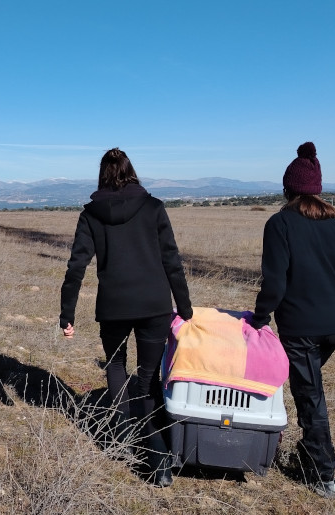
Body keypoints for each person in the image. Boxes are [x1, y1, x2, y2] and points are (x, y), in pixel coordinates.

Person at [250, 142, 335, 499]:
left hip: (301, 327)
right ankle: (309, 458)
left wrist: (259, 319)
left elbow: (275, 281)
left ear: (288, 189)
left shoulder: (280, 224)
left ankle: (323, 476)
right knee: (308, 385)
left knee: (309, 396)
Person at [59, 148, 193, 487]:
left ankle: (119, 438)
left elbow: (76, 266)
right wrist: (185, 306)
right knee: (147, 379)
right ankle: (159, 460)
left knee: (116, 368)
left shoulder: (90, 214)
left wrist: (67, 313)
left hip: (114, 307)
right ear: (131, 171)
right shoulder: (153, 207)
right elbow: (171, 260)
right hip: (154, 306)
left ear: (102, 175)